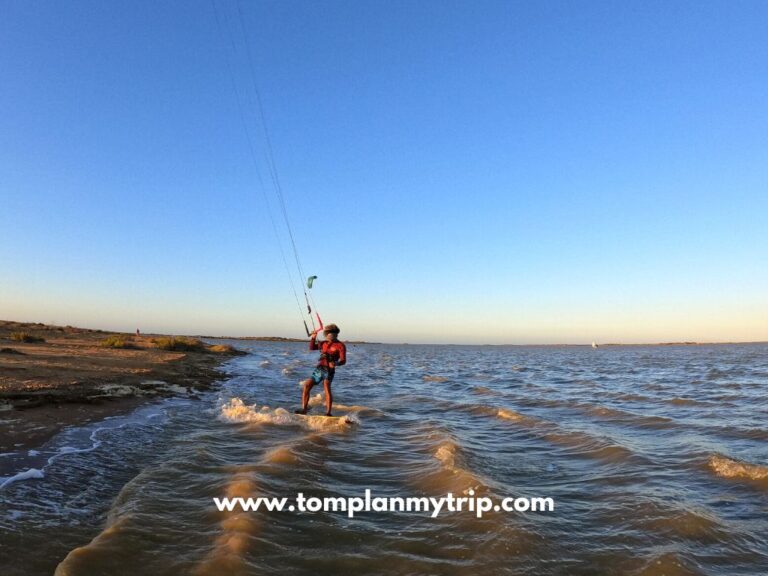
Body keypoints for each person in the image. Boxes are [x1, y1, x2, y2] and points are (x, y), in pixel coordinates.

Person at [295, 323, 346, 416]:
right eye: (327, 335)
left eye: (332, 335)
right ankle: (304, 409)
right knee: (307, 385)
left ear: (336, 335)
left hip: (329, 370)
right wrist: (313, 337)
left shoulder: (340, 345)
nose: (328, 336)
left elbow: (343, 361)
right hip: (320, 368)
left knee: (326, 387)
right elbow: (311, 347)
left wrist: (335, 363)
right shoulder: (323, 343)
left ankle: (328, 413)